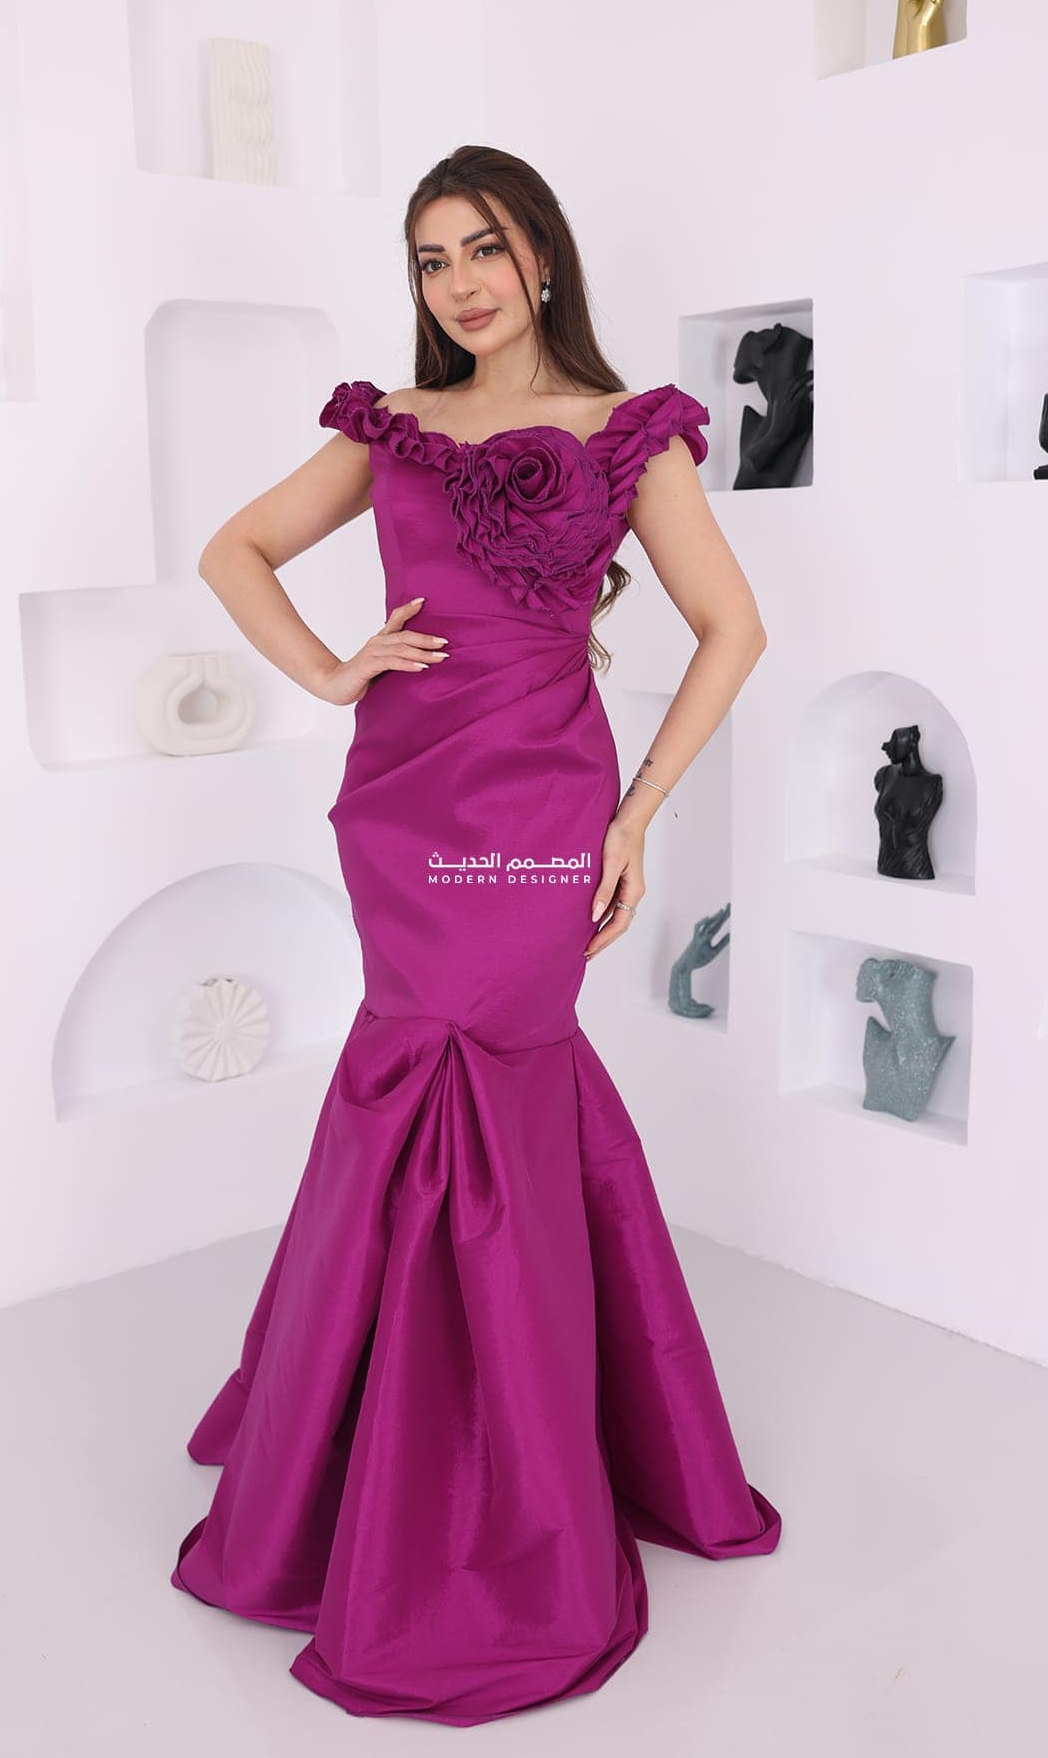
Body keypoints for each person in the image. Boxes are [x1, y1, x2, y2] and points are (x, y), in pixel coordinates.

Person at [169, 144, 781, 1726]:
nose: (461, 283)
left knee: (498, 1076)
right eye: (433, 258)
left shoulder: (627, 430)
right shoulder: (393, 426)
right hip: (404, 806)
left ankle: (501, 1489)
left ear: (544, 258)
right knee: (406, 1080)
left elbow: (734, 628)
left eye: (485, 248)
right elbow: (233, 550)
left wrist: (634, 817)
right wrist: (331, 672)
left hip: (543, 808)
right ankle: (367, 1443)